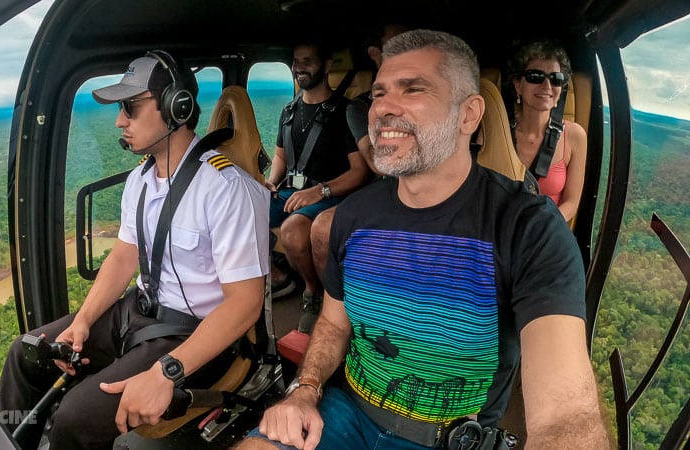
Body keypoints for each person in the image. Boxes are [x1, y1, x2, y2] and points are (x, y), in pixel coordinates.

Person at [235, 29, 610, 450]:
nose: (382, 109)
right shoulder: (354, 216)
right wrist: (304, 390)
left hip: (448, 439)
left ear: (469, 115)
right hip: (344, 412)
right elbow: (335, 321)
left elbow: (566, 416)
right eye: (378, 94)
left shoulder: (528, 228)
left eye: (413, 90)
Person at [0, 50, 270, 450]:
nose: (120, 120)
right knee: (25, 355)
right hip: (137, 312)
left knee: (74, 418)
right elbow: (125, 255)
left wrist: (167, 372)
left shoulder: (227, 190)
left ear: (177, 106)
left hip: (196, 337)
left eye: (130, 107)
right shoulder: (141, 178)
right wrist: (85, 320)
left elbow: (245, 304)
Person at [266, 40, 370, 333]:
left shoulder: (345, 112)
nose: (300, 67)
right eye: (296, 61)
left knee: (292, 231)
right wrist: (271, 183)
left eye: (308, 60)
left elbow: (360, 172)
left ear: (326, 66)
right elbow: (280, 156)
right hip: (293, 191)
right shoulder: (288, 111)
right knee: (241, 212)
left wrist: (319, 191)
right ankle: (277, 278)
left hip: (332, 194)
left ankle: (314, 291)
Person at [309, 23, 408, 284]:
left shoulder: (426, 99)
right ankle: (331, 301)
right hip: (386, 190)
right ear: (376, 54)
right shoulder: (360, 107)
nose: (408, 50)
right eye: (398, 44)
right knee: (321, 227)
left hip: (430, 188)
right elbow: (378, 163)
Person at [507, 39, 587, 222]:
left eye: (556, 79)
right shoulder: (498, 130)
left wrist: (539, 231)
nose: (547, 86)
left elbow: (571, 203)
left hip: (546, 235)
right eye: (535, 77)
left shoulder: (574, 136)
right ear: (518, 85)